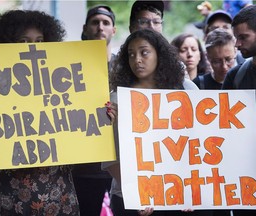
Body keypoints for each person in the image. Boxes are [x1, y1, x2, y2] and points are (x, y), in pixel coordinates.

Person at [0, 10, 80, 216]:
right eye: (23, 40)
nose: (32, 46)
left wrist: (102, 115)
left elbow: (79, 132)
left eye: (39, 40)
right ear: (6, 42)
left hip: (51, 194)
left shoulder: (64, 84)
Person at [102, 29, 215, 216]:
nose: (136, 59)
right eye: (131, 54)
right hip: (133, 200)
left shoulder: (187, 89)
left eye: (144, 52)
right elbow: (110, 158)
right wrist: (138, 192)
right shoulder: (116, 99)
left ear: (159, 54)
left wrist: (191, 189)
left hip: (180, 197)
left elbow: (202, 144)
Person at [72, 4, 116, 216]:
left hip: (116, 168)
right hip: (82, 167)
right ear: (85, 28)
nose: (100, 27)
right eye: (95, 22)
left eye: (106, 23)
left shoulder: (125, 67)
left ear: (113, 30)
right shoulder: (68, 67)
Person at [222, 5, 256, 215]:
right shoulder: (235, 77)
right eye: (236, 37)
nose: (237, 44)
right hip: (246, 181)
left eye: (244, 37)